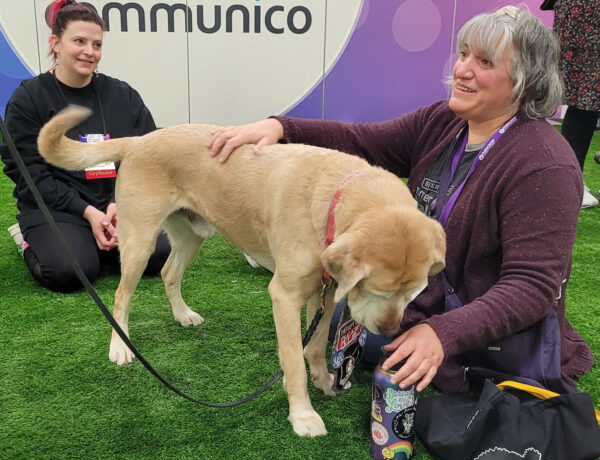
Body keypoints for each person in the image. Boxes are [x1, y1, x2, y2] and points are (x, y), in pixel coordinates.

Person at [206, 6, 594, 393]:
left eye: (485, 61)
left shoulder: (545, 165)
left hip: (479, 328)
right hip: (413, 297)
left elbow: (532, 286)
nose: (462, 69)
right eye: (463, 54)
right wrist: (281, 126)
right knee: (338, 291)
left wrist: (443, 333)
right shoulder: (445, 121)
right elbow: (362, 140)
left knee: (346, 310)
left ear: (525, 81)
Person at [2, 0, 170, 292]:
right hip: (59, 208)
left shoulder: (123, 95)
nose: (89, 52)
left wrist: (119, 205)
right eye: (79, 41)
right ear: (55, 43)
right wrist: (88, 212)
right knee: (70, 271)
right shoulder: (28, 100)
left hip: (117, 203)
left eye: (97, 44)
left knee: (158, 255)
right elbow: (29, 174)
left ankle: (96, 242)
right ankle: (29, 238)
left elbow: (148, 156)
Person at [553, 0, 600, 208]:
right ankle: (567, 184)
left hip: (579, 13)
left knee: (584, 99)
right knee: (585, 98)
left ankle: (567, 183)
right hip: (589, 16)